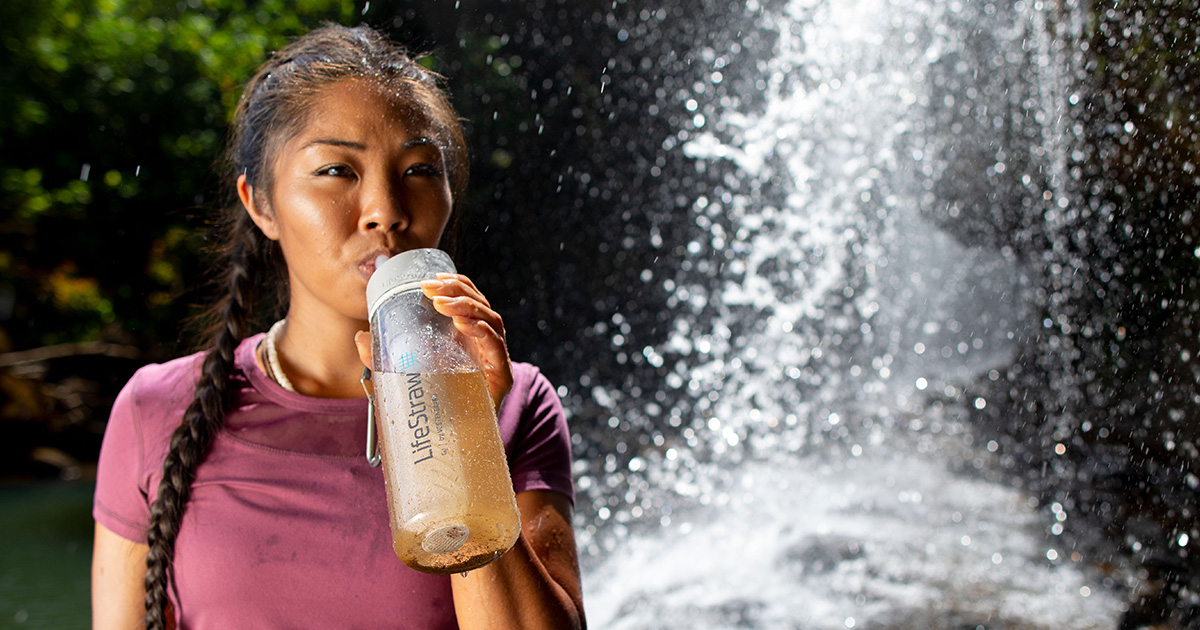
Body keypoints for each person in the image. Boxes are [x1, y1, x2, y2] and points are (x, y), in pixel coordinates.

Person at [90, 24, 584, 630]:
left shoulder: (516, 400)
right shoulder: (156, 409)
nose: (386, 210)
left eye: (420, 169)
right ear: (261, 204)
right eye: (337, 171)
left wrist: (460, 433)